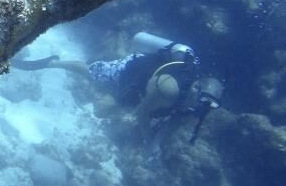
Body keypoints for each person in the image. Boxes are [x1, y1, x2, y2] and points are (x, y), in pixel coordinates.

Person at [12, 32, 224, 143]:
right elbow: (142, 112)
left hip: (142, 69)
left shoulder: (191, 73)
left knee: (110, 97)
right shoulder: (172, 91)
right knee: (91, 73)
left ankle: (118, 49)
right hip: (126, 74)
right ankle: (55, 62)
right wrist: (147, 136)